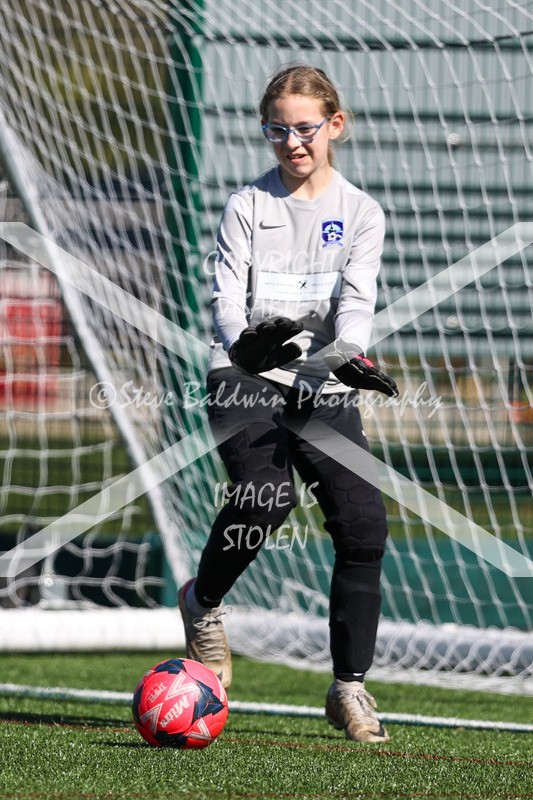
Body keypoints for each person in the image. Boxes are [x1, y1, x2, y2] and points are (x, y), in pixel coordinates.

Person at [178, 63, 398, 744]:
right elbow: (224, 301)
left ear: (334, 125)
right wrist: (246, 347)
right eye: (277, 130)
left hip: (319, 385)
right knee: (265, 499)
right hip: (243, 375)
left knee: (363, 526)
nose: (291, 142)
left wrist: (347, 358)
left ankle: (348, 688)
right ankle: (203, 602)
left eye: (304, 128)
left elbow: (354, 304)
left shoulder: (361, 212)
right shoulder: (246, 205)